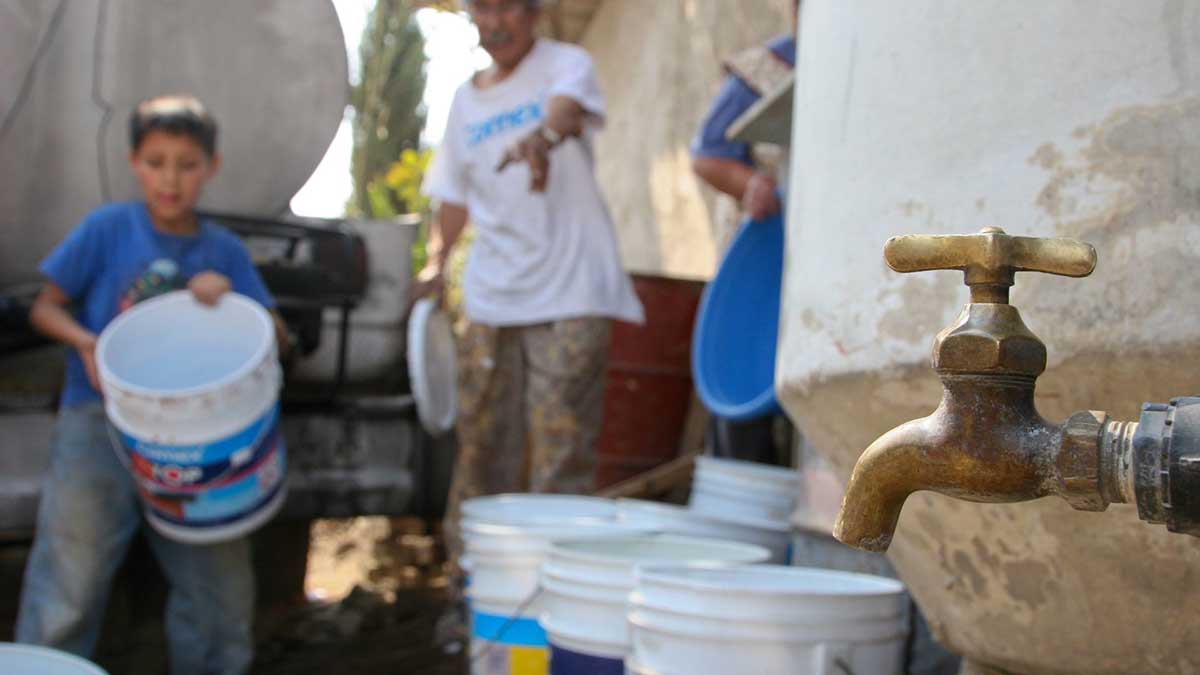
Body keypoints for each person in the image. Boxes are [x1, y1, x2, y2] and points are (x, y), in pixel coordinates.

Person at [16, 94, 286, 675]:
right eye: (156, 161)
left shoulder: (222, 252)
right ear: (134, 162)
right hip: (99, 422)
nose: (171, 178)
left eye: (187, 164)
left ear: (210, 168)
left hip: (200, 440)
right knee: (71, 571)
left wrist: (234, 299)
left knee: (216, 585)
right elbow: (45, 308)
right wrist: (87, 343)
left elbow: (277, 339)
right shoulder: (107, 229)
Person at [416, 0, 643, 569]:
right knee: (482, 451)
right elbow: (452, 195)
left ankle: (551, 596)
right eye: (481, 9)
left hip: (572, 290)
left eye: (506, 7)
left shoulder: (567, 63)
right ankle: (471, 588)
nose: (494, 22)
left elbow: (567, 111)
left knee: (559, 453)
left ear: (533, 12)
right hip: (494, 297)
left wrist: (541, 137)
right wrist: (437, 263)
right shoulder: (465, 101)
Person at [689, 2, 800, 467]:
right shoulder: (763, 69)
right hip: (766, 251)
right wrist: (750, 184)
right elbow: (707, 155)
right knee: (747, 382)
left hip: (822, 266)